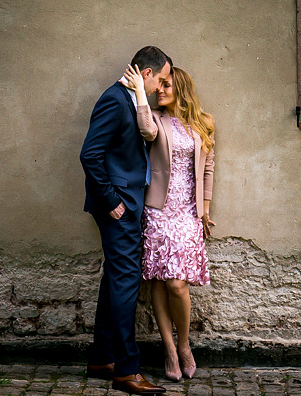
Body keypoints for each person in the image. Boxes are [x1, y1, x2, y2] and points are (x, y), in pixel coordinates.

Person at [80, 46, 171, 395]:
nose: (161, 87)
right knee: (125, 283)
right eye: (160, 80)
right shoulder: (115, 100)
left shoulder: (131, 98)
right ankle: (127, 371)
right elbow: (90, 154)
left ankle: (102, 359)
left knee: (115, 281)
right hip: (118, 207)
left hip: (128, 203)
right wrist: (111, 201)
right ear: (146, 74)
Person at [120, 65, 215, 382]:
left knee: (177, 283)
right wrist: (139, 91)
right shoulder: (156, 119)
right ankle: (169, 350)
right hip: (158, 210)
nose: (159, 90)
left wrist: (204, 210)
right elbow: (146, 130)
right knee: (159, 281)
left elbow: (208, 168)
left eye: (166, 85)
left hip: (187, 213)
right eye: (158, 85)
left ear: (182, 90)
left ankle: (184, 345)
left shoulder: (204, 123)